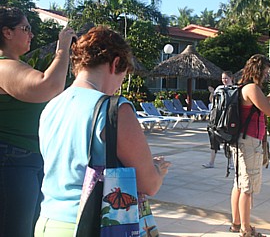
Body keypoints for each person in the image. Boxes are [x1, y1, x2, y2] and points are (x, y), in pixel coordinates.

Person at [34, 25, 171, 236]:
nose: (118, 86)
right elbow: (149, 184)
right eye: (122, 77)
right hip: (90, 225)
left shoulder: (52, 105)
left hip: (47, 222)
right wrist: (157, 170)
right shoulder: (114, 109)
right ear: (116, 63)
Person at [0, 6, 75, 237]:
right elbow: (47, 87)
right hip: (12, 160)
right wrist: (62, 48)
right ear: (7, 32)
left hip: (25, 158)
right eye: (26, 28)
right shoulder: (3, 66)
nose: (31, 34)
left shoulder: (15, 65)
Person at [229, 54, 270, 237]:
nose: (267, 75)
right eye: (266, 71)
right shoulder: (252, 88)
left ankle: (237, 223)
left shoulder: (245, 87)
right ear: (259, 70)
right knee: (247, 187)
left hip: (243, 141)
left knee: (239, 184)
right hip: (249, 142)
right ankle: (246, 230)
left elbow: (260, 106)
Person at [203, 71, 234, 168]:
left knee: (229, 142)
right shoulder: (219, 88)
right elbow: (212, 101)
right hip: (216, 118)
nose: (224, 80)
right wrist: (212, 93)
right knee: (213, 140)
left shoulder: (235, 89)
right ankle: (211, 162)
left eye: (226, 78)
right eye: (223, 78)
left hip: (228, 119)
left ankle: (231, 163)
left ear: (231, 78)